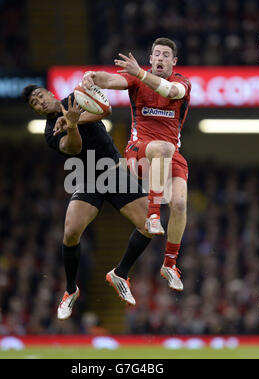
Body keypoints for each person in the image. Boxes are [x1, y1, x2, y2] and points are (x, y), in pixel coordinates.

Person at [22, 85, 153, 320]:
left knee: (150, 225)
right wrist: (70, 125)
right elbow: (74, 147)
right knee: (71, 232)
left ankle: (120, 273)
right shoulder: (51, 131)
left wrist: (74, 119)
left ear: (51, 94)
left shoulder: (75, 99)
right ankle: (71, 290)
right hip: (87, 177)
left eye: (40, 95)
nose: (39, 102)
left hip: (113, 170)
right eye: (34, 103)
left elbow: (106, 110)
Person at [81, 37, 191, 291]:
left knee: (180, 203)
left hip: (169, 156)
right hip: (138, 152)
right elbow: (110, 80)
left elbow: (171, 92)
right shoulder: (136, 79)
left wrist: (140, 72)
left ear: (174, 62)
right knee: (162, 147)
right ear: (151, 58)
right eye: (157, 54)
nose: (161, 58)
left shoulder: (181, 82)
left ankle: (169, 264)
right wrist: (91, 76)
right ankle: (153, 214)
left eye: (166, 55)